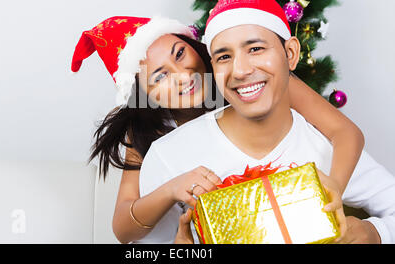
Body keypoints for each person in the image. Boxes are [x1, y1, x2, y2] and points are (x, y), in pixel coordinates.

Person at [138, 0, 395, 244]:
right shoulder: (169, 156)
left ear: (291, 53)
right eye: (224, 57)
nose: (240, 70)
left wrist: (375, 232)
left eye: (256, 49)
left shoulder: (327, 151)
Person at [71, 13, 363, 244]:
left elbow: (346, 132)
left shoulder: (246, 80)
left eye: (180, 54)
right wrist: (171, 190)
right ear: (144, 94)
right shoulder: (148, 132)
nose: (184, 76)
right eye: (160, 76)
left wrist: (335, 185)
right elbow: (123, 230)